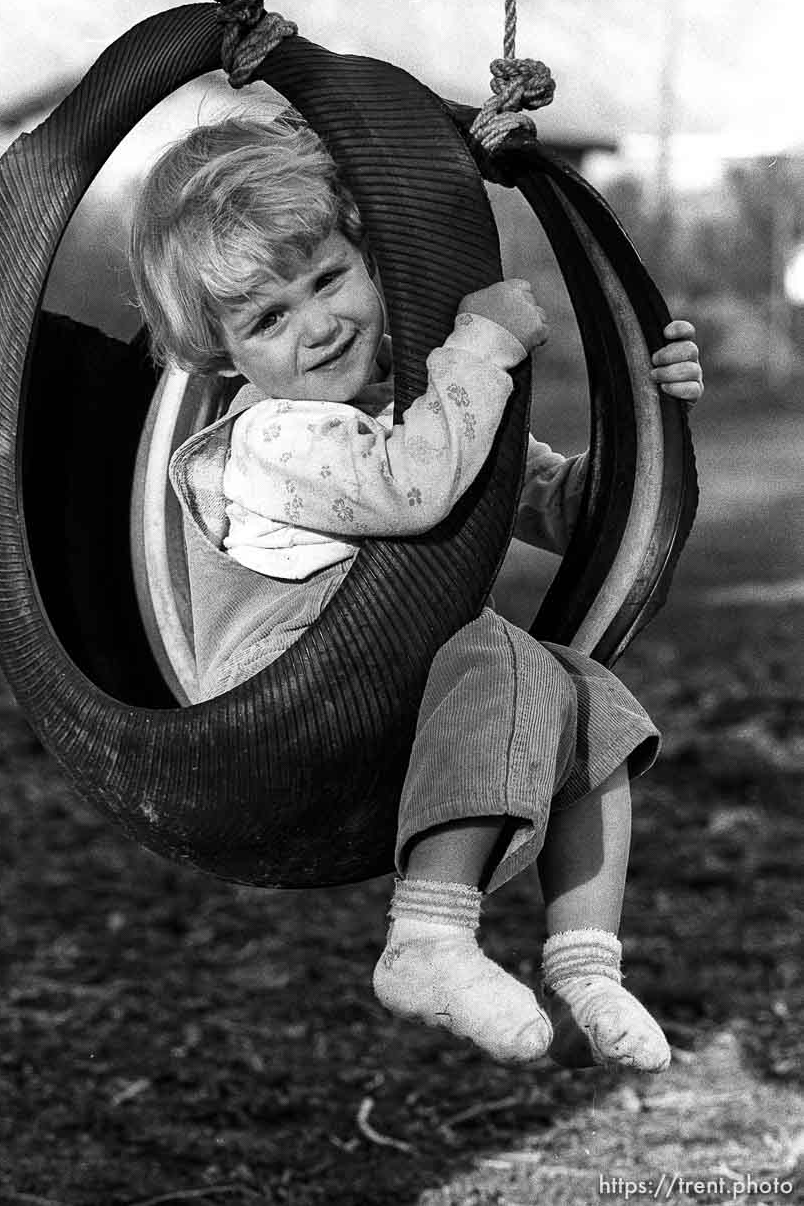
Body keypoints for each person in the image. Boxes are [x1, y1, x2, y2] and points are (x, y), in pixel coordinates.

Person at [130, 112, 704, 1071]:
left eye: (326, 279)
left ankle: (586, 962)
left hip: (396, 694)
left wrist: (656, 414)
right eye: (267, 318)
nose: (316, 325)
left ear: (370, 255)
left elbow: (563, 507)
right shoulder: (273, 440)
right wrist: (480, 352)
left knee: (589, 701)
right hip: (282, 713)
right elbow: (415, 484)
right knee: (495, 651)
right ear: (226, 357)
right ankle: (429, 942)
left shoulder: (411, 408)